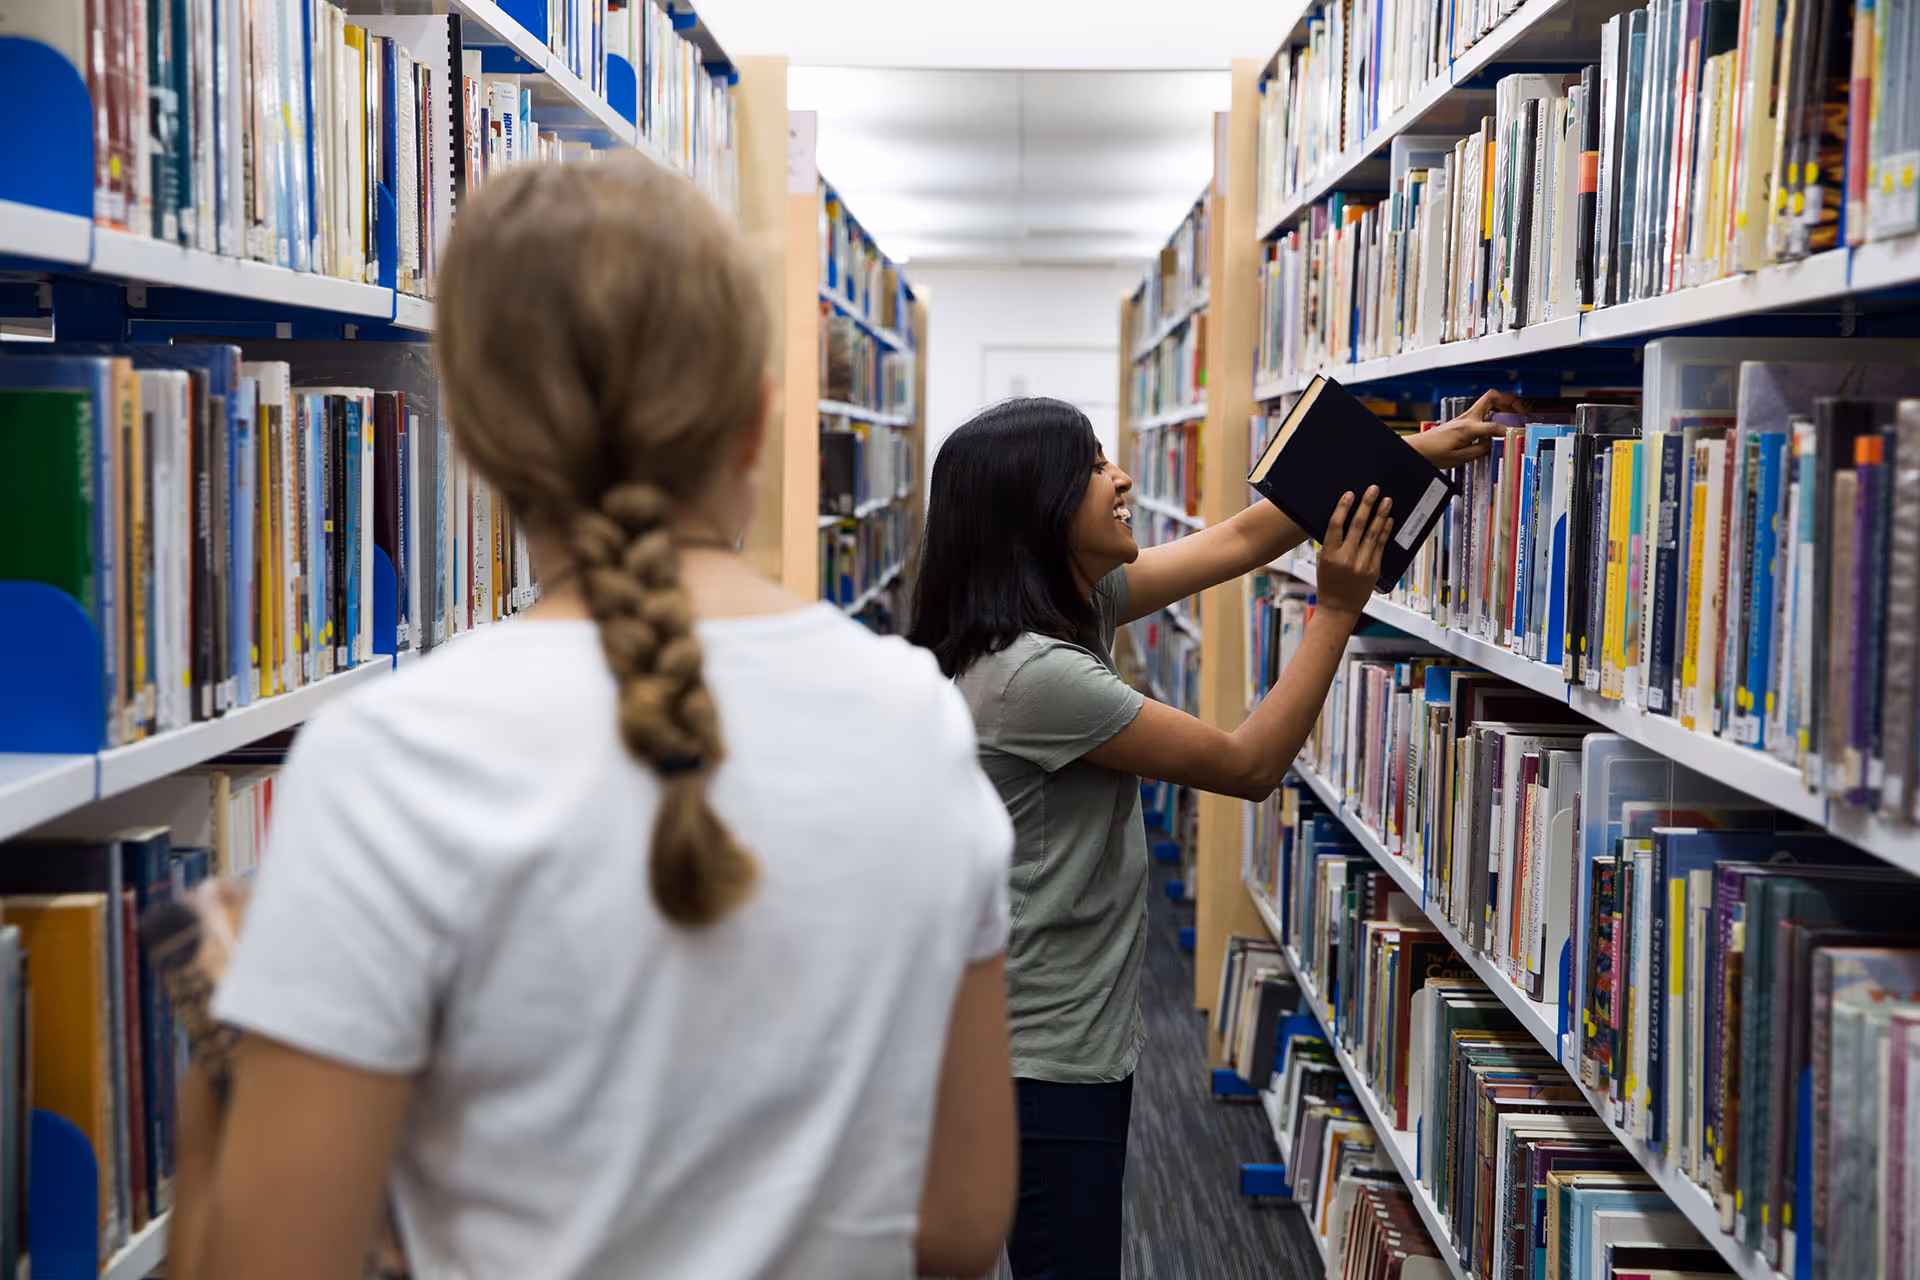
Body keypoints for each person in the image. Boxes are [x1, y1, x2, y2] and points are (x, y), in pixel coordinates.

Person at [175, 158, 1018, 1280]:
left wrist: (223, 1052)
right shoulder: (918, 718)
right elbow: (959, 1224)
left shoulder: (391, 758)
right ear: (763, 422)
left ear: (471, 442)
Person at [907, 391, 1516, 1278]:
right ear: (1036, 511)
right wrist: (1337, 607)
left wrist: (1416, 450)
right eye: (1092, 468)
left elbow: (1240, 540)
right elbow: (1246, 765)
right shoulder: (1033, 675)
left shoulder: (1061, 609)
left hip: (1044, 1022)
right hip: (1040, 1048)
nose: (1120, 479)